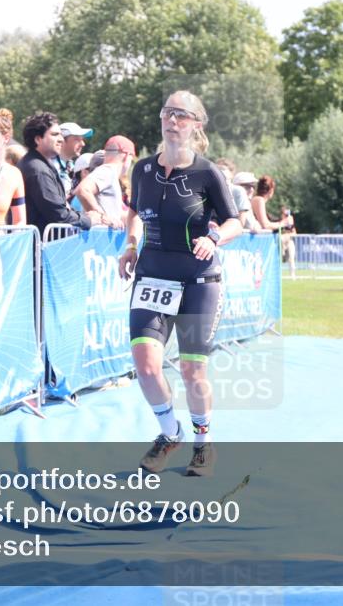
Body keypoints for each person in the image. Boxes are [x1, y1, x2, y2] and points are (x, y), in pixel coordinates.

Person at [117, 90, 242, 478]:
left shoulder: (208, 173)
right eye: (168, 112)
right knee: (146, 366)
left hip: (198, 280)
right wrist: (131, 245)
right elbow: (133, 213)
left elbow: (235, 222)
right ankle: (170, 433)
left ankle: (203, 443)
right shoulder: (142, 169)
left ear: (196, 125)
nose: (173, 121)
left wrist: (214, 238)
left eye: (182, 115)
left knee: (192, 371)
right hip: (152, 274)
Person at [16, 112, 104, 235]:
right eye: (55, 134)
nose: (61, 139)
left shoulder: (39, 164)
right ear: (38, 139)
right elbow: (59, 215)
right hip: (41, 243)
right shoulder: (38, 170)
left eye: (61, 135)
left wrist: (83, 217)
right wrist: (89, 220)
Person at [76, 135, 135, 228]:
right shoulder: (107, 171)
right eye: (132, 159)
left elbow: (116, 215)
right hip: (97, 235)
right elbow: (82, 190)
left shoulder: (110, 174)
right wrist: (102, 217)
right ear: (127, 156)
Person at [58, 121, 94, 194]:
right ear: (62, 141)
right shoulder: (51, 168)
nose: (83, 144)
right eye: (77, 139)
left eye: (82, 139)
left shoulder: (71, 167)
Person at [280, 206, 297, 279]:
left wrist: (288, 235)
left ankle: (293, 275)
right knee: (281, 238)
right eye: (285, 214)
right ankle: (283, 254)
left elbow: (294, 233)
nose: (286, 216)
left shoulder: (290, 223)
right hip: (281, 243)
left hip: (289, 241)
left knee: (291, 259)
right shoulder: (279, 222)